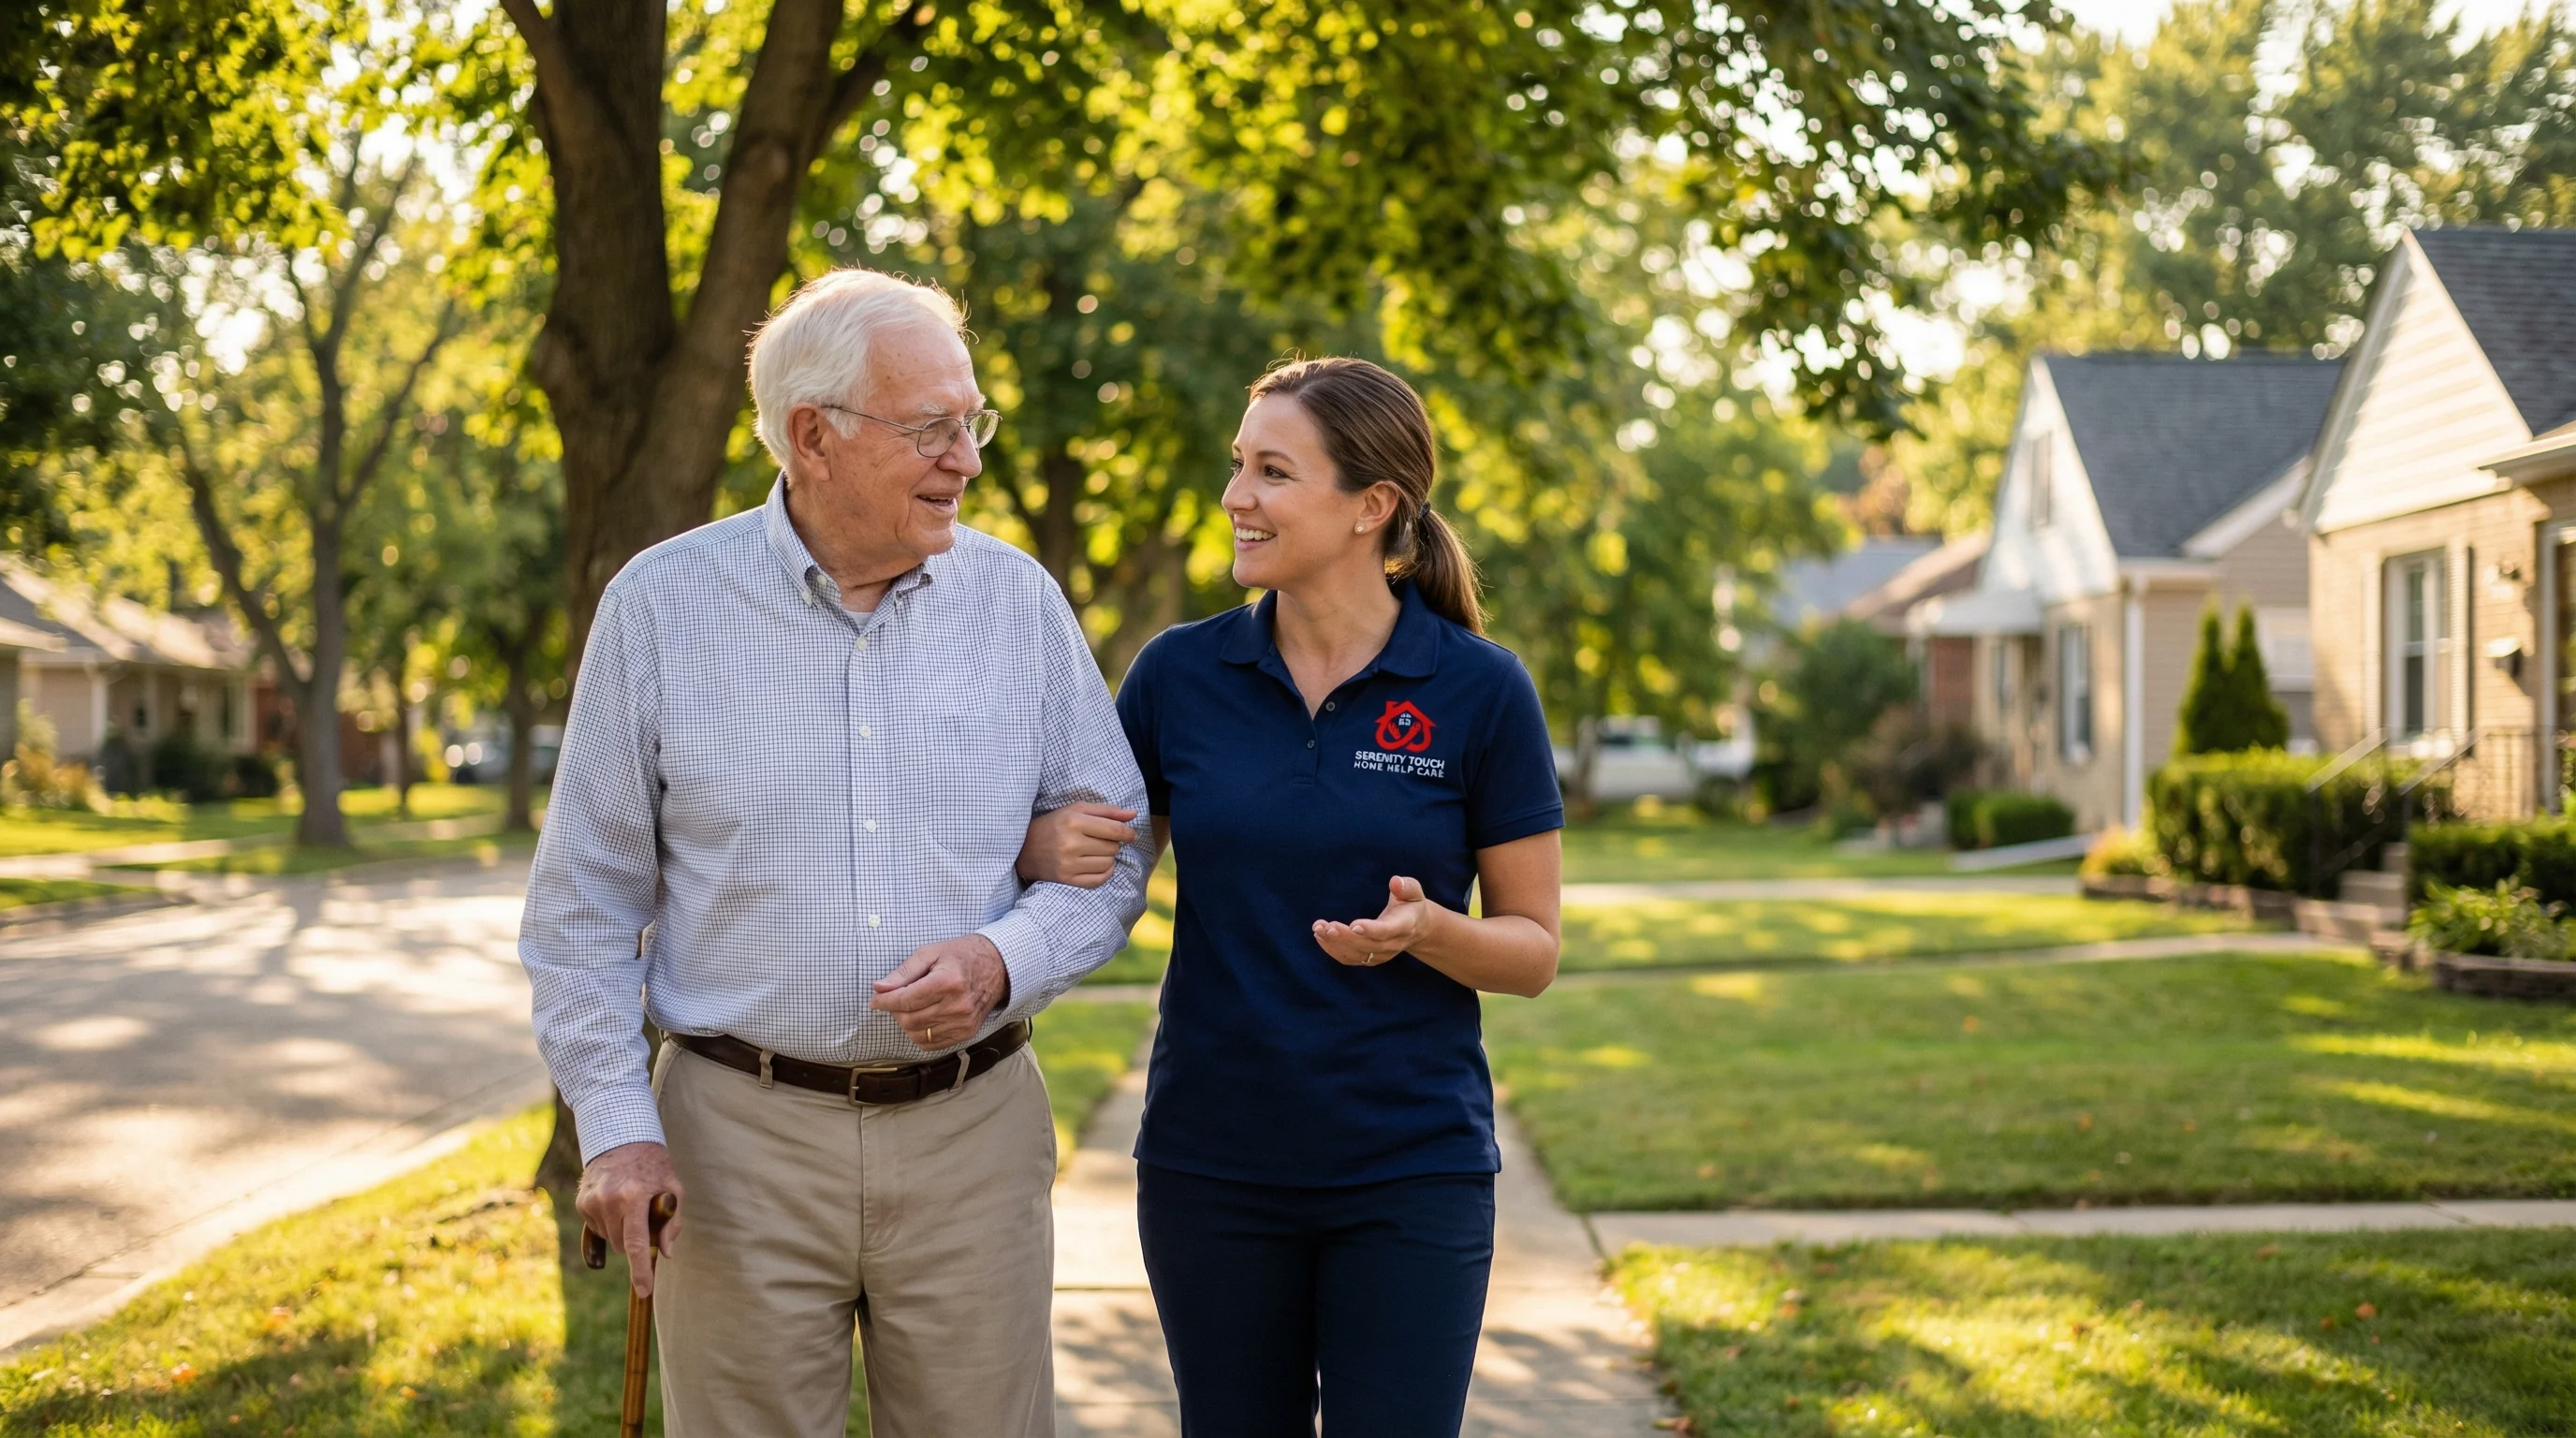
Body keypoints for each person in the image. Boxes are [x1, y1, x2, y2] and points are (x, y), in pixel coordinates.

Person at [520, 267, 1150, 1438]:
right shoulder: (659, 608)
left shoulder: (1016, 604)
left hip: (974, 1136)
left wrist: (1001, 961)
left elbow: (1113, 854)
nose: (966, 459)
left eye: (973, 422)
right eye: (932, 428)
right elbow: (581, 912)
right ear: (812, 436)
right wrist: (616, 1128)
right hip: (733, 1147)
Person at [1021, 357, 1564, 1435]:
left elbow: (1533, 950)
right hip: (1210, 1167)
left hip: (1410, 1170)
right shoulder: (1177, 676)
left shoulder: (1479, 688)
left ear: (1372, 506)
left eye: (1273, 472)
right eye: (1238, 466)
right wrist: (1038, 844)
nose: (1236, 497)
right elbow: (1104, 868)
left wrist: (1429, 931)